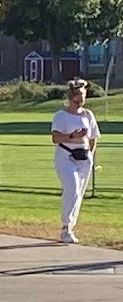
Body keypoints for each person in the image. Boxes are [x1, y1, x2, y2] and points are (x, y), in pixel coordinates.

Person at [51, 79, 100, 244]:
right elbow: (56, 138)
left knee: (78, 194)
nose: (80, 102)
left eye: (83, 98)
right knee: (72, 187)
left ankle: (71, 227)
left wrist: (90, 155)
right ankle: (65, 227)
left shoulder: (88, 115)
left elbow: (93, 137)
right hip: (66, 157)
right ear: (70, 97)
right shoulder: (61, 116)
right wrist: (73, 136)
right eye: (77, 98)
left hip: (84, 159)